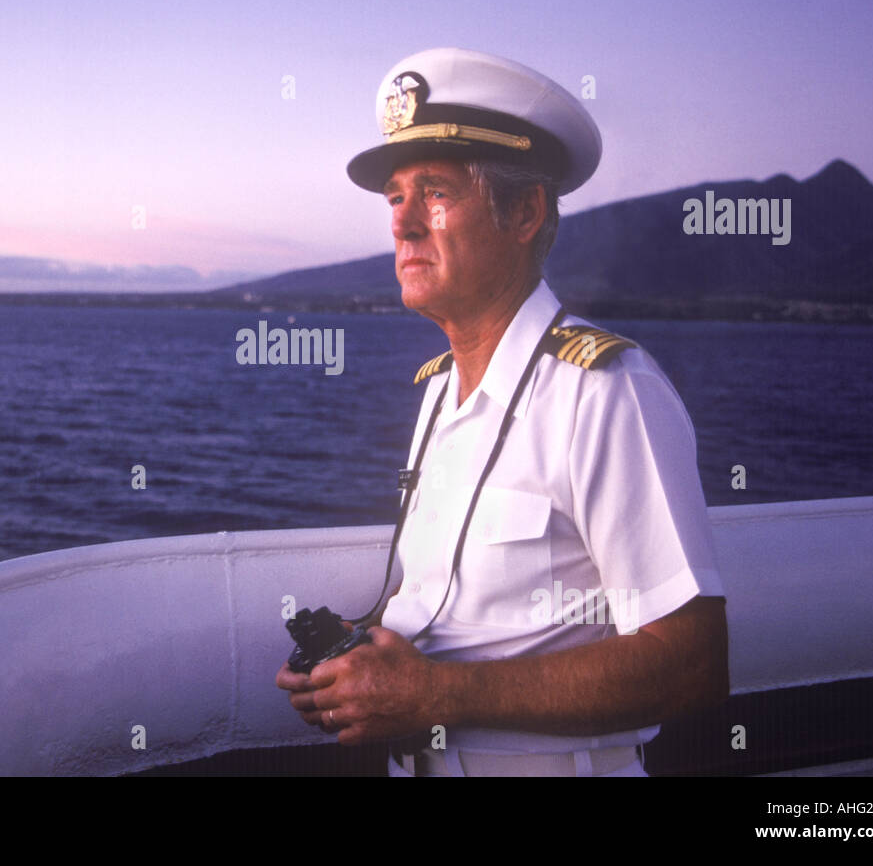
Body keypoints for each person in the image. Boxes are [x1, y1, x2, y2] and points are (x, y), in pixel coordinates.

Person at [275, 48, 729, 776]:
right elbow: (447, 602)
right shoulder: (437, 396)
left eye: (436, 193)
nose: (405, 225)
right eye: (396, 197)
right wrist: (359, 665)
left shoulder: (605, 391)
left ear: (524, 212)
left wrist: (435, 693)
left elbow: (692, 663)